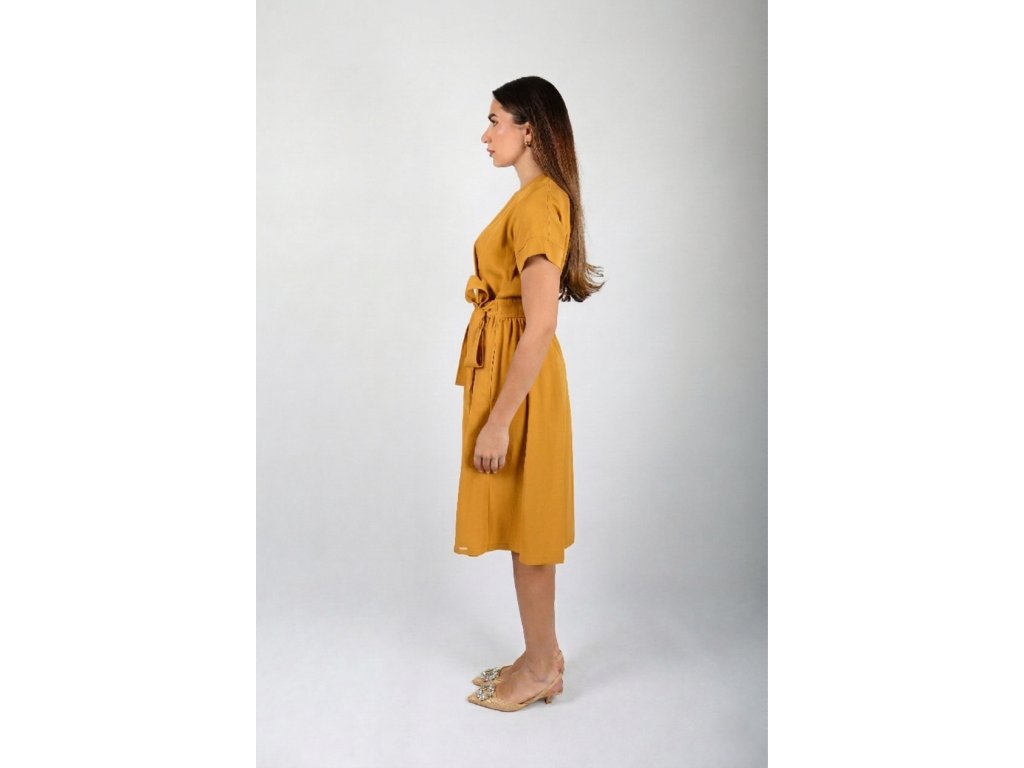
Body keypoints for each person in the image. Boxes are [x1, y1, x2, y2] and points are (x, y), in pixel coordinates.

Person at [454, 76, 603, 712]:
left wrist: (498, 421)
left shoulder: (542, 203)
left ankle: (542, 667)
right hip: (511, 371)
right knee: (521, 518)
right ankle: (540, 654)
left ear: (529, 130)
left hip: (523, 383)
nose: (485, 135)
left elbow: (540, 323)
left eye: (495, 121)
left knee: (530, 525)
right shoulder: (533, 198)